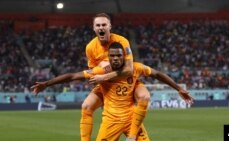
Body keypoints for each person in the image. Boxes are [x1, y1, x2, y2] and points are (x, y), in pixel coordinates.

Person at [31, 42, 194, 141]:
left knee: (144, 97)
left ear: (124, 57)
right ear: (109, 57)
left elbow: (158, 74)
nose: (116, 59)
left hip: (132, 119)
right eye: (112, 56)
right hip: (111, 120)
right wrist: (47, 83)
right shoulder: (100, 72)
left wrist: (179, 88)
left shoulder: (135, 68)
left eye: (118, 56)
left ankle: (132, 136)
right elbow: (73, 76)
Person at [81, 13, 152, 141]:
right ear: (93, 28)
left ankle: (132, 134)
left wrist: (104, 76)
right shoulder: (90, 47)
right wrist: (99, 73)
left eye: (104, 25)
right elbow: (93, 71)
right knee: (86, 106)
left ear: (110, 26)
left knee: (144, 96)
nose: (101, 27)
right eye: (98, 25)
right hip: (108, 85)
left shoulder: (122, 41)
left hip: (126, 80)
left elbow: (129, 69)